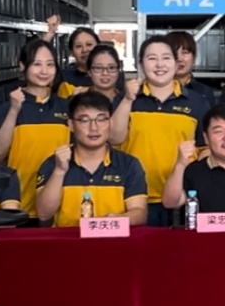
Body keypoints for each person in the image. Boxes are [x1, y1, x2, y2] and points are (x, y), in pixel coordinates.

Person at [112, 35, 209, 227]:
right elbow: (114, 138)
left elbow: (205, 148)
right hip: (135, 199)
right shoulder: (125, 99)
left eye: (166, 58)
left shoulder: (197, 102)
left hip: (181, 198)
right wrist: (128, 100)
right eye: (151, 58)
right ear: (141, 64)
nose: (159, 64)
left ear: (175, 63)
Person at [35, 92, 148, 227]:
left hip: (114, 238)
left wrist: (118, 220)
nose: (94, 128)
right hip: (67, 239)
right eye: (84, 120)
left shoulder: (128, 164)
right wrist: (59, 171)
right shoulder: (54, 163)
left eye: (101, 119)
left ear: (110, 122)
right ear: (71, 125)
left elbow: (139, 211)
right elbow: (44, 214)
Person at [0, 39, 70, 217]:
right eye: (37, 64)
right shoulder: (7, 107)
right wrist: (14, 110)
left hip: (59, 205)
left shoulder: (66, 106)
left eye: (50, 64)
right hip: (20, 201)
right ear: (22, 66)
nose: (44, 71)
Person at [167, 30, 219, 111]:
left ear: (194, 58)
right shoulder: (157, 90)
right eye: (173, 53)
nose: (179, 58)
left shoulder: (204, 92)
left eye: (185, 52)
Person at [57, 27, 101, 99]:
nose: (84, 50)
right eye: (78, 46)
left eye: (89, 44)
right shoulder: (63, 77)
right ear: (72, 52)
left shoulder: (111, 75)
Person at [84, 44, 125, 111]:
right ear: (89, 72)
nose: (105, 73)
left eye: (111, 68)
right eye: (98, 68)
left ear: (118, 71)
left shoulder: (126, 100)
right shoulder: (79, 100)